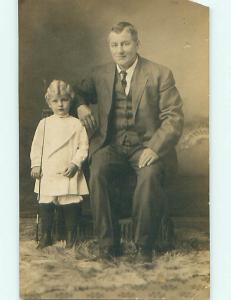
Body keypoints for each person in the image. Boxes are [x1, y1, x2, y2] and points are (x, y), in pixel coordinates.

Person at [75, 22, 184, 263]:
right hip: (111, 146)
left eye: (125, 43)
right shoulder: (99, 73)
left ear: (137, 44)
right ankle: (107, 246)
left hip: (145, 146)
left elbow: (174, 118)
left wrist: (155, 148)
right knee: (97, 171)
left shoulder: (159, 73)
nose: (120, 50)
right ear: (110, 47)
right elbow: (77, 93)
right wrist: (81, 106)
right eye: (114, 45)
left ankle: (144, 246)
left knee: (149, 175)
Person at [30, 80, 89, 249]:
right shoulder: (45, 123)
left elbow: (83, 147)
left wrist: (75, 164)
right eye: (55, 101)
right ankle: (46, 234)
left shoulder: (77, 124)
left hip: (68, 169)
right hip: (48, 170)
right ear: (49, 102)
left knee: (70, 202)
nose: (60, 104)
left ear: (71, 100)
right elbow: (37, 146)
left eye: (64, 100)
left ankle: (71, 235)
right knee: (46, 202)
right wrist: (36, 164)